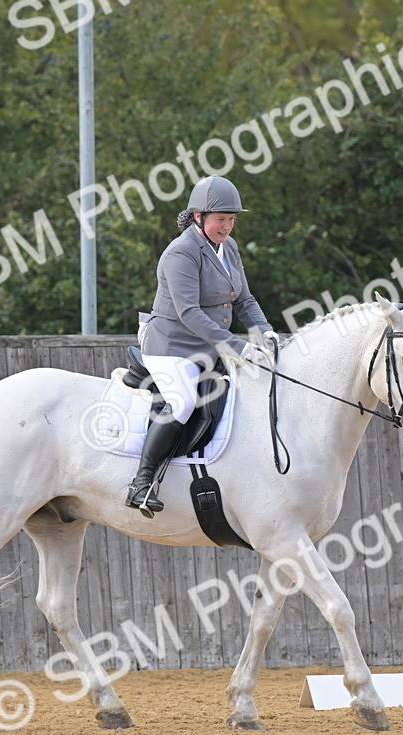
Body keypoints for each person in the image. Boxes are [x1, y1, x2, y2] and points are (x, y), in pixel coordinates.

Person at [127, 175, 276, 516]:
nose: (228, 225)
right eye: (221, 218)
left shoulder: (229, 248)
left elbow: (245, 299)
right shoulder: (181, 252)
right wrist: (235, 346)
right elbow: (189, 313)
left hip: (207, 345)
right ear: (198, 217)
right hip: (170, 343)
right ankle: (142, 482)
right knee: (181, 401)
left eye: (232, 218)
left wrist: (264, 333)